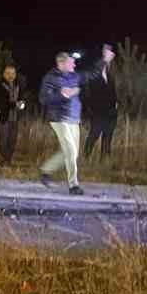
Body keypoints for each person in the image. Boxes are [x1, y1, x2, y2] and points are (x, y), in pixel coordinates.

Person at [38, 46, 114, 195]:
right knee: (71, 151)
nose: (74, 65)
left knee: (71, 153)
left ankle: (46, 170)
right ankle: (73, 185)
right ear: (61, 63)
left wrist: (104, 60)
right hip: (59, 119)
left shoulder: (75, 76)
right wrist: (62, 95)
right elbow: (43, 99)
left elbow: (93, 74)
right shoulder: (51, 78)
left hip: (74, 119)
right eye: (71, 62)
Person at [82, 50, 119, 158]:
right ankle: (86, 156)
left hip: (111, 113)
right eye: (106, 63)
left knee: (108, 137)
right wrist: (106, 58)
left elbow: (113, 93)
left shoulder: (110, 77)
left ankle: (104, 159)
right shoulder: (94, 77)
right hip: (98, 112)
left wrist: (116, 104)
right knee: (94, 135)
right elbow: (90, 94)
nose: (109, 64)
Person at [0, 64, 22, 165]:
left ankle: (7, 159)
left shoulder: (18, 85)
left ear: (15, 74)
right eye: (8, 73)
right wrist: (15, 104)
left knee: (12, 140)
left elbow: (21, 98)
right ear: (4, 74)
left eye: (13, 73)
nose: (10, 76)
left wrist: (22, 103)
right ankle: (6, 159)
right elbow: (2, 102)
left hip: (14, 117)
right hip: (2, 117)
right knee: (3, 139)